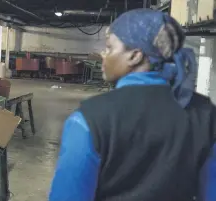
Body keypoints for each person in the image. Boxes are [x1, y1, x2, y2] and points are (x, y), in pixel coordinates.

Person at [49, 9, 216, 201]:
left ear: (135, 56)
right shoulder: (206, 114)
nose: (104, 55)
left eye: (110, 48)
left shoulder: (89, 120)